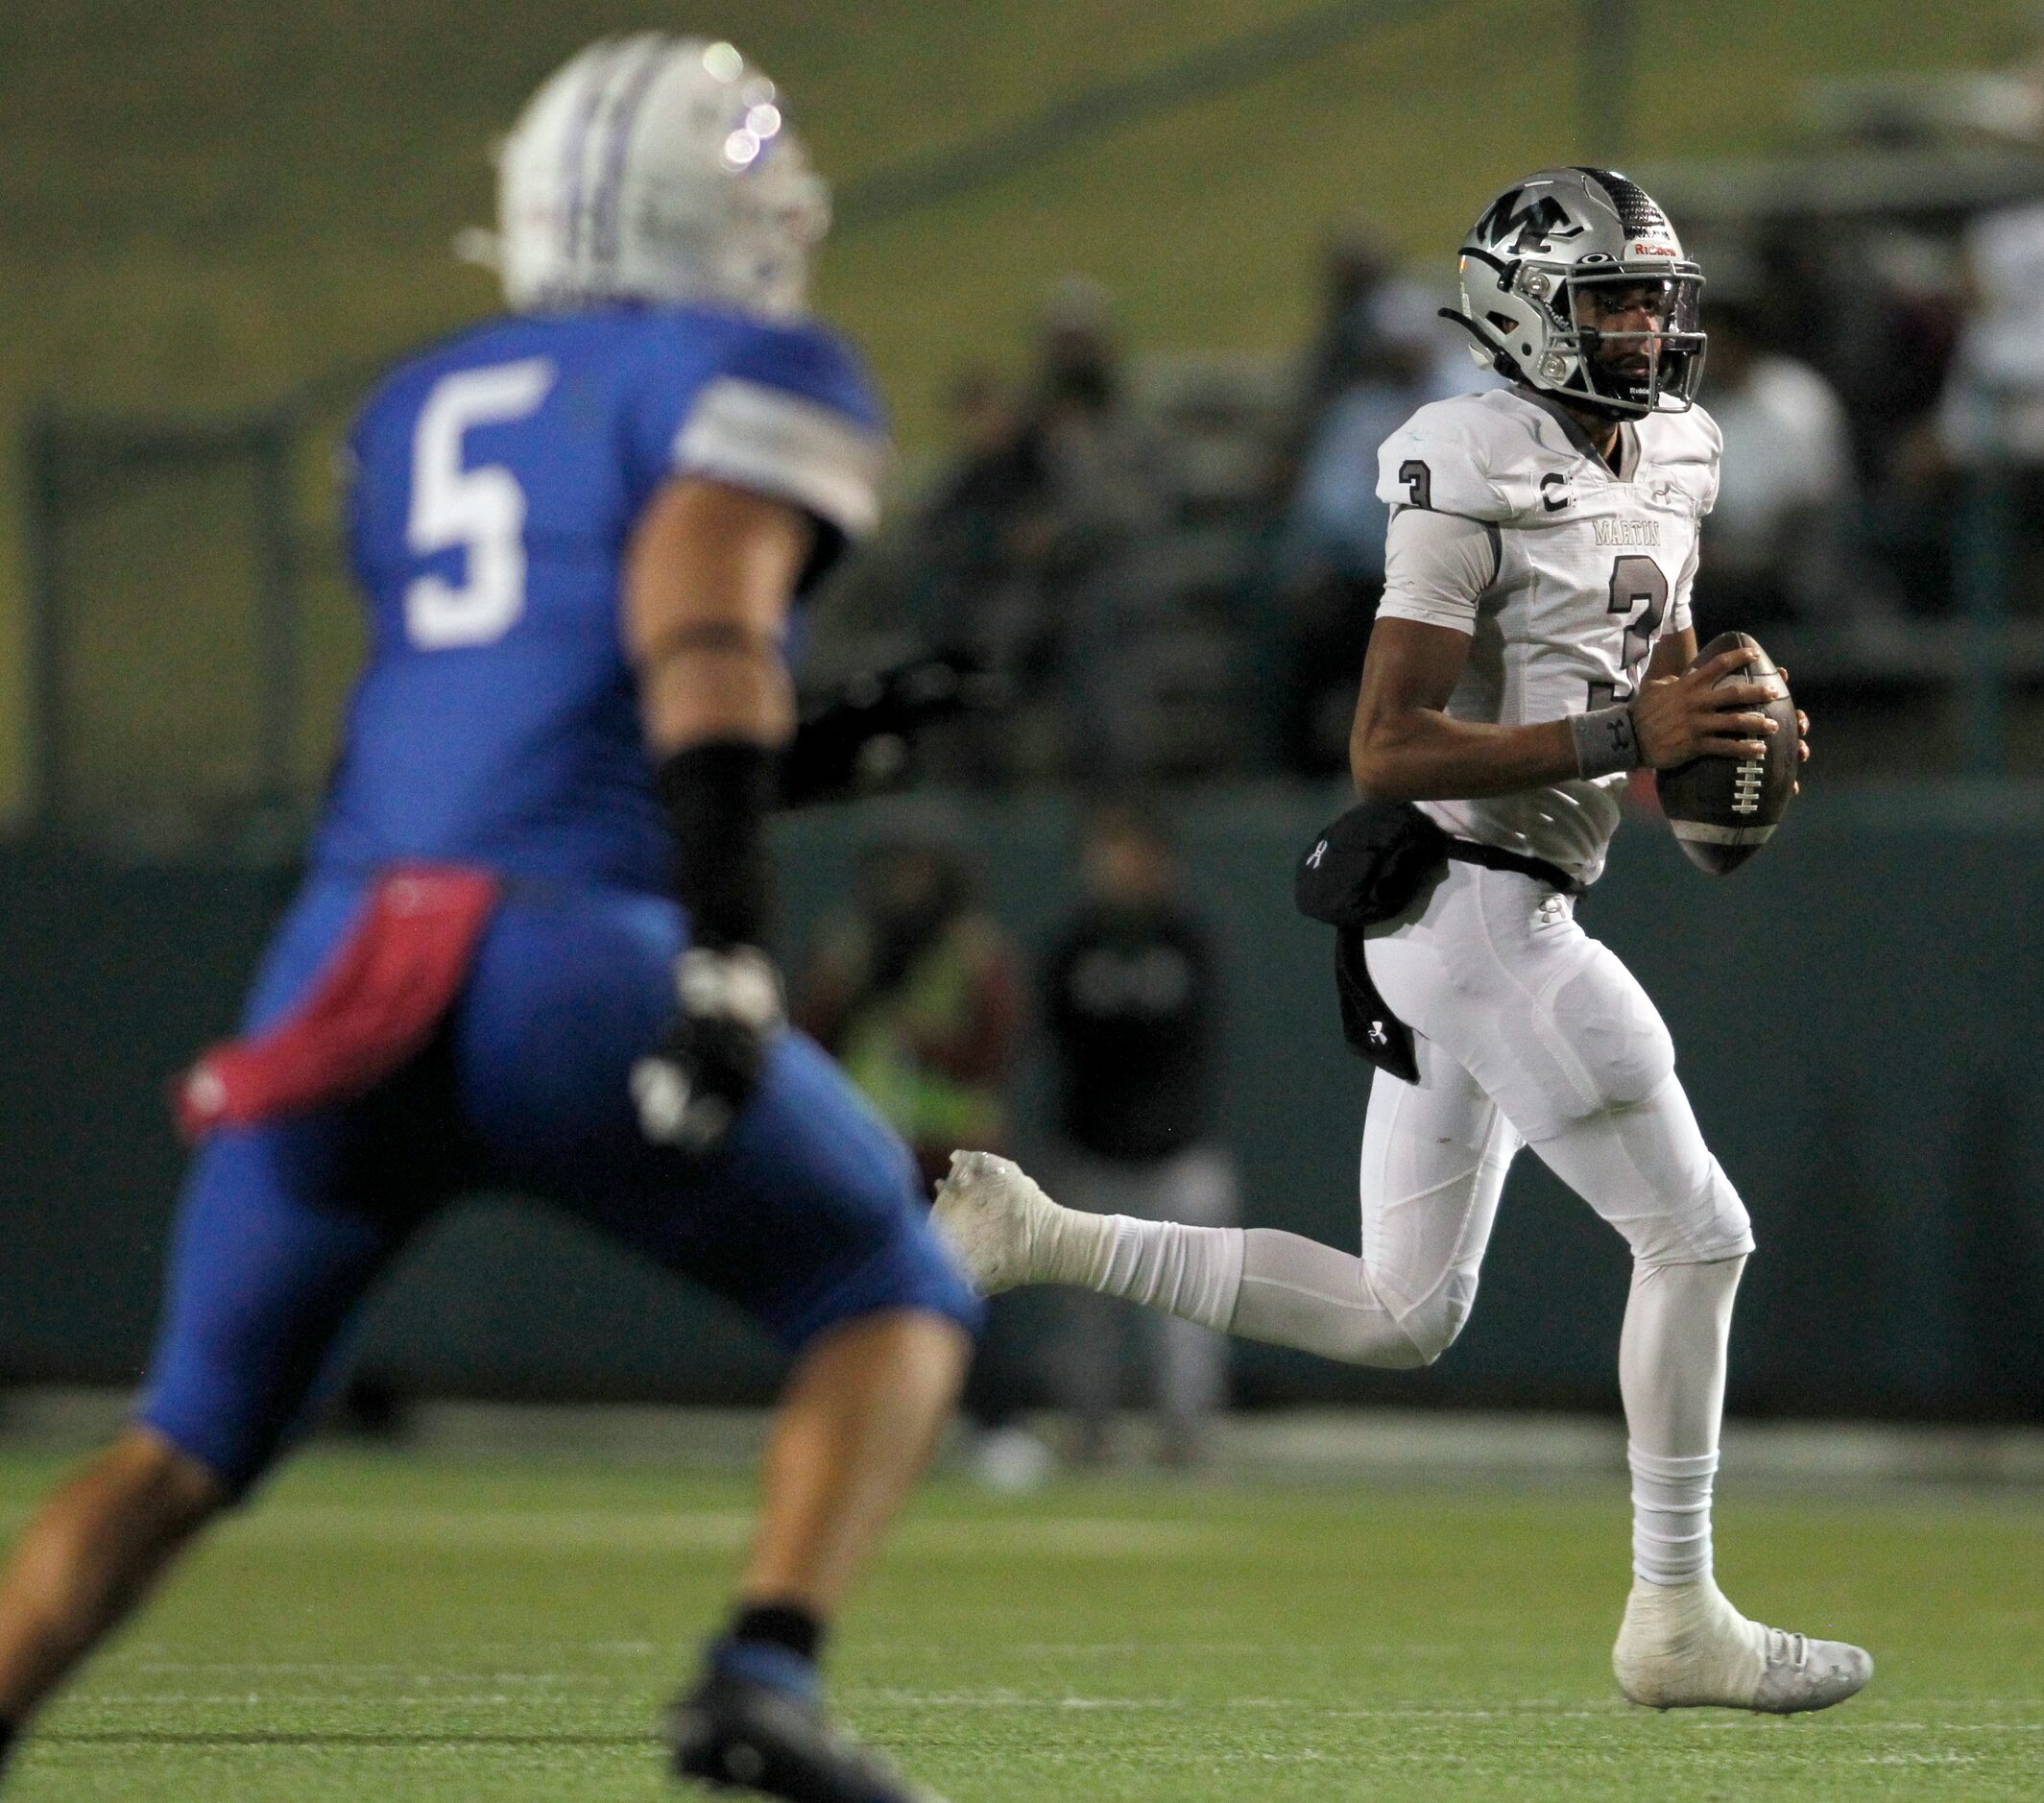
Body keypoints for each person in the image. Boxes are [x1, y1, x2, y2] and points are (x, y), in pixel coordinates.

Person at [0, 36, 979, 1803]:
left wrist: (797, 759)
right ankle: (762, 1669)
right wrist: (734, 939)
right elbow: (696, 634)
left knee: (181, 1441)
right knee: (884, 1278)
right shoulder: (748, 368)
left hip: (349, 951)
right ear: (727, 215)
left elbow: (517, 708)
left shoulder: (415, 408)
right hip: (560, 956)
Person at [935, 168, 1872, 1717]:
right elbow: (1383, 741)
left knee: (1399, 1311)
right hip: (1465, 892)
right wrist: (1615, 729)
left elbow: (1660, 670)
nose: (1643, 328)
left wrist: (1712, 748)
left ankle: (1043, 1236)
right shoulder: (1464, 452)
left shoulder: (1682, 451)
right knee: (1696, 1236)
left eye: (1654, 300)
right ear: (1521, 310)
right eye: (1610, 301)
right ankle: (1674, 1607)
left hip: (1500, 900)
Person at [794, 829, 1046, 1489]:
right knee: (861, 1297)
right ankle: (860, 1425)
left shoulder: (975, 953)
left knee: (977, 1291)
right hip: (863, 1147)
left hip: (953, 1157)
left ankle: (995, 1426)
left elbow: (994, 1055)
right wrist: (845, 994)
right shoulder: (850, 946)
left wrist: (924, 1042)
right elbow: (808, 1040)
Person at [1040, 802, 1234, 1466]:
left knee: (1184, 1313)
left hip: (1176, 1157)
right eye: (1105, 853)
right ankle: (1087, 1435)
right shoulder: (1073, 944)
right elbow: (1057, 1041)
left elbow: (1191, 1048)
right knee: (1084, 1318)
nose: (1114, 868)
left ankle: (1185, 1436)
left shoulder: (1189, 941)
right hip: (1089, 1149)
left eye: (1128, 852)